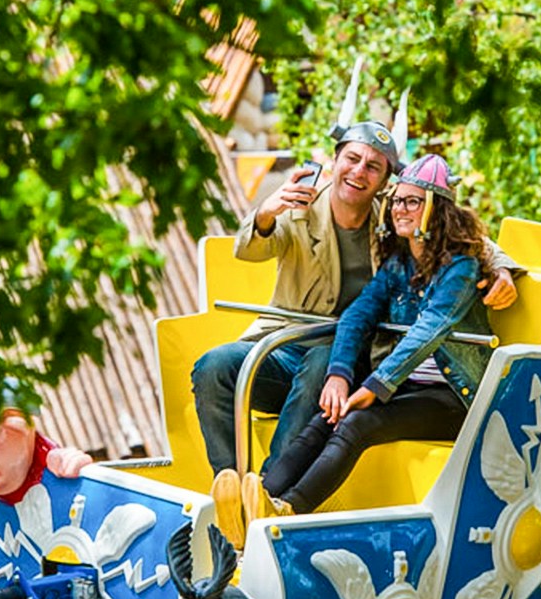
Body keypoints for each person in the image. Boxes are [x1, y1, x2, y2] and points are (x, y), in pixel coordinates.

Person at [191, 116, 520, 486]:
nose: (359, 172)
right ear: (335, 162)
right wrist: (266, 213)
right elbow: (249, 250)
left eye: (373, 166)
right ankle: (229, 483)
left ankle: (269, 487)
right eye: (352, 159)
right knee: (213, 366)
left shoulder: (393, 212)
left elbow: (459, 233)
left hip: (352, 356)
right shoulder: (300, 208)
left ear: (384, 181)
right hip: (288, 343)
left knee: (321, 364)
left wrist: (502, 268)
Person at [243, 154, 493, 518]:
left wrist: (375, 386)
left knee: (357, 423)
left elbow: (428, 331)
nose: (398, 209)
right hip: (405, 389)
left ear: (436, 210)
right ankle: (259, 499)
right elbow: (356, 316)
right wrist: (340, 375)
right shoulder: (399, 265)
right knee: (325, 417)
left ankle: (286, 511)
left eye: (412, 201)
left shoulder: (461, 268)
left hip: (454, 398)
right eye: (396, 200)